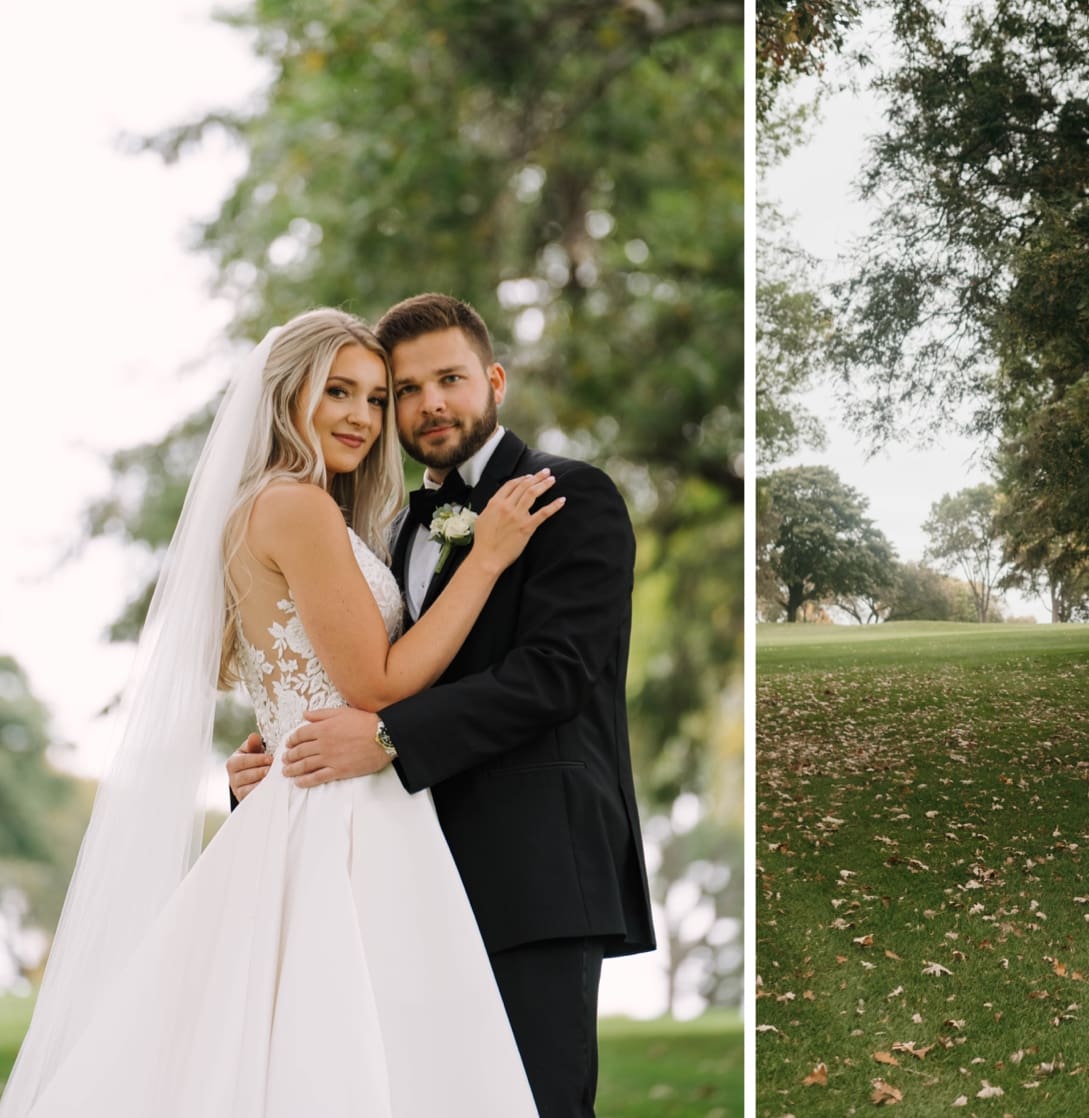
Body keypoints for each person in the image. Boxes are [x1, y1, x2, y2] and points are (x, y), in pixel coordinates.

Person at [0, 309, 561, 1116]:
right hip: (343, 811)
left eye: (376, 399)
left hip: (316, 797)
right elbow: (374, 685)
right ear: (287, 393)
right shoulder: (296, 506)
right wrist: (489, 559)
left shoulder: (284, 507)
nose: (362, 417)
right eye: (338, 391)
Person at [227, 293, 655, 1118]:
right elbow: (342, 667)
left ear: (493, 381)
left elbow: (557, 674)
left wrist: (387, 737)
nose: (429, 404)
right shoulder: (388, 531)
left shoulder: (571, 495)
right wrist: (277, 761)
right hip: (404, 871)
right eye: (405, 390)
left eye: (450, 379)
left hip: (533, 870)